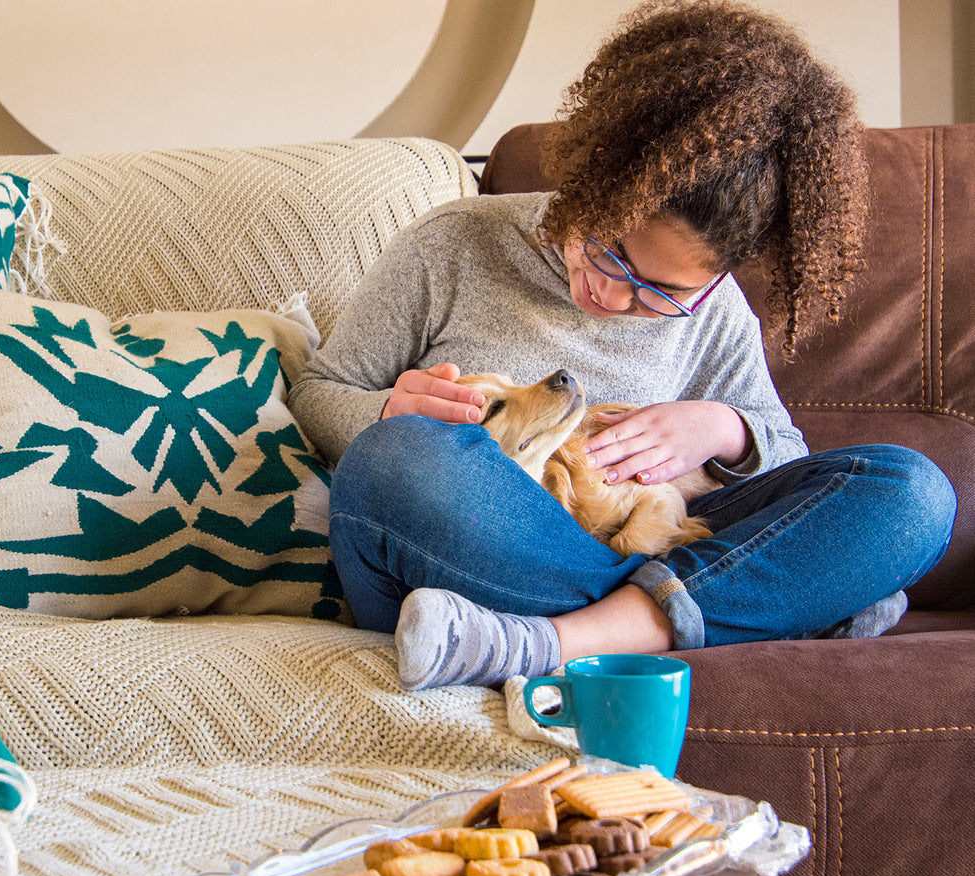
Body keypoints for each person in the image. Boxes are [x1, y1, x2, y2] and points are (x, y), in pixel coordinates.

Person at [287, 0, 956, 691]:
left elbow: (788, 459)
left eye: (657, 295)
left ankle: (547, 644)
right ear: (594, 180)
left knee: (908, 492)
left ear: (712, 280)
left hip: (641, 540)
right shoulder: (451, 246)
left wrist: (722, 429)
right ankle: (736, 611)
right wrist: (386, 413)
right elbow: (315, 392)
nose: (612, 296)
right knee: (394, 460)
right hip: (495, 550)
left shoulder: (712, 314)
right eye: (608, 253)